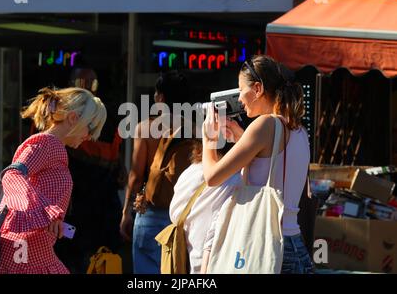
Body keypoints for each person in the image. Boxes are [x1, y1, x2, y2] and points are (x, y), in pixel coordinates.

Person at [200, 55, 313, 274]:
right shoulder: (298, 130)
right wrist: (242, 136)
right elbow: (275, 163)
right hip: (295, 244)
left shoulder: (264, 124)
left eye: (241, 89)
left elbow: (212, 177)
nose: (240, 98)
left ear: (258, 89)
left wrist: (208, 141)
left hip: (267, 246)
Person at [0, 87, 107, 274]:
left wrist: (48, 214)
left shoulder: (52, 146)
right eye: (90, 128)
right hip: (22, 252)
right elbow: (11, 175)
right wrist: (46, 210)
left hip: (29, 251)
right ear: (73, 118)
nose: (90, 137)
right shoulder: (46, 144)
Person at [119, 71, 193, 274]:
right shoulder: (197, 130)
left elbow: (135, 175)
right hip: (185, 214)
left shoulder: (145, 128)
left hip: (150, 211)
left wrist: (126, 212)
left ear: (161, 97)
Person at [55, 68, 125, 273]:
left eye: (91, 83)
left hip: (99, 207)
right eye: (80, 82)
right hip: (70, 210)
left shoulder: (108, 117)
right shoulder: (56, 120)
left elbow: (116, 159)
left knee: (101, 258)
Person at [168, 141, 243, 274]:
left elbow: (175, 215)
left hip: (189, 260)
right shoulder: (238, 179)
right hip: (215, 263)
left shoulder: (189, 172)